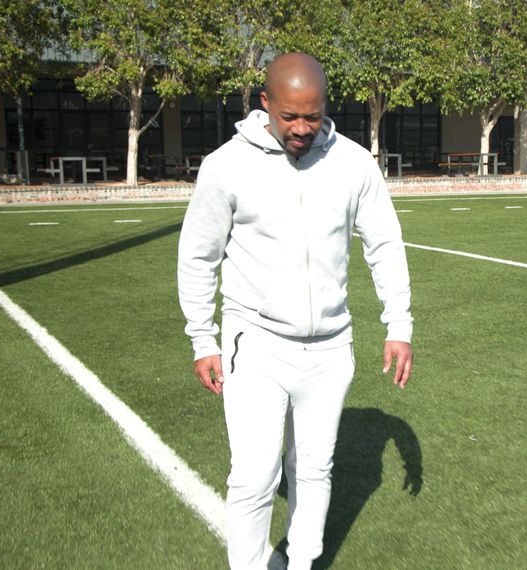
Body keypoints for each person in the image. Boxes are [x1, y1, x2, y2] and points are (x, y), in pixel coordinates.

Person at [176, 52, 414, 570]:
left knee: (313, 468)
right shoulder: (226, 167)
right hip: (255, 345)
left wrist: (399, 324)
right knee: (254, 477)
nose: (302, 128)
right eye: (290, 116)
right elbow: (198, 257)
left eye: (313, 115)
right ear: (265, 104)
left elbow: (384, 243)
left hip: (330, 348)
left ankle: (301, 562)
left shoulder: (353, 163)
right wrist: (203, 339)